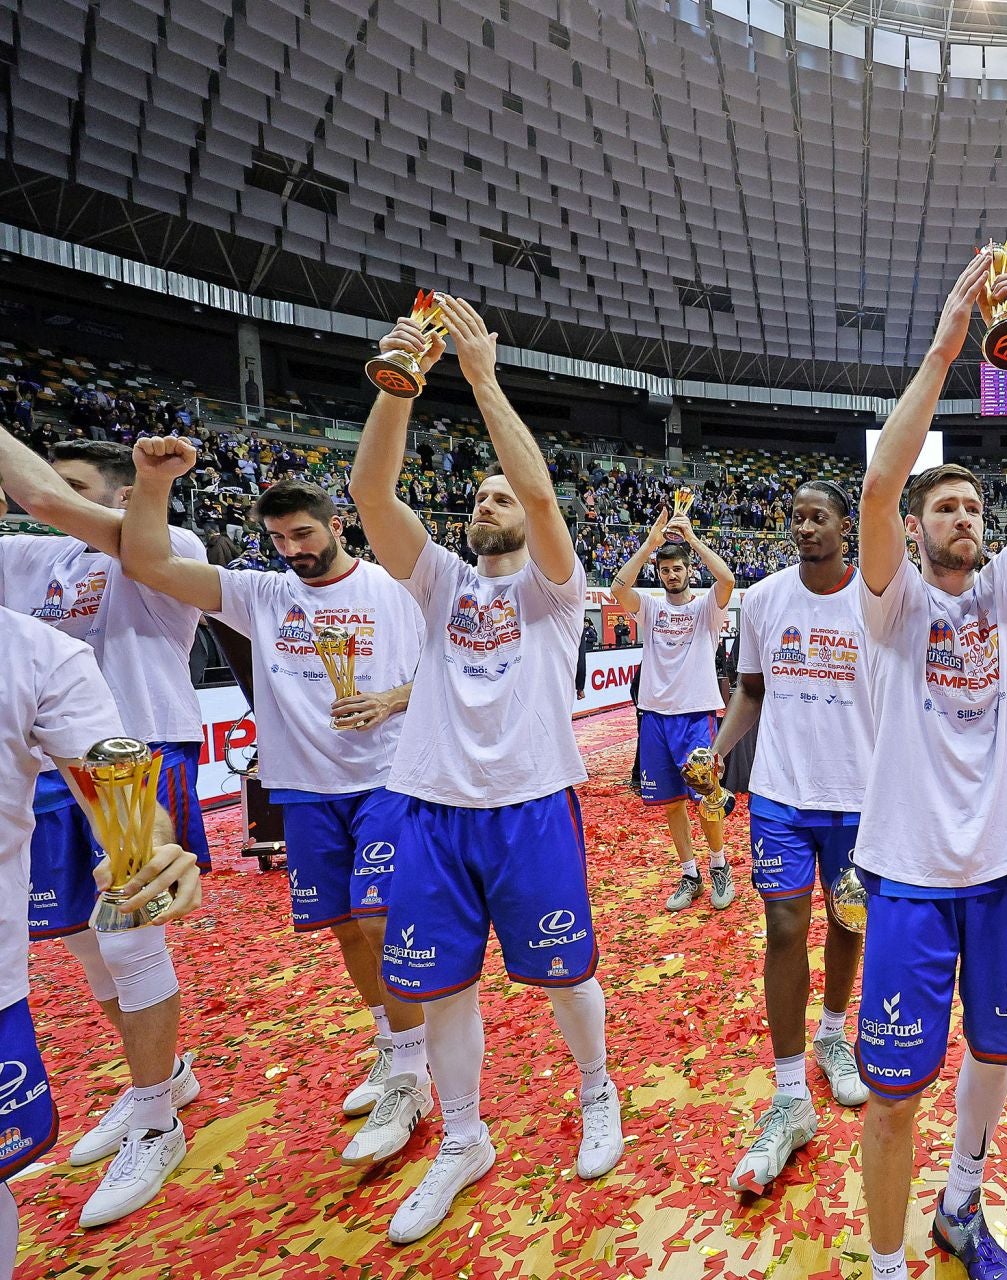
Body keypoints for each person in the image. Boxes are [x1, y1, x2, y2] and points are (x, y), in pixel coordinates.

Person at [348, 296, 621, 1244]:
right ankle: (463, 1138)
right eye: (479, 497)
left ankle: (596, 1090)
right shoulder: (438, 581)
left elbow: (543, 499)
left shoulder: (554, 592)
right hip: (430, 809)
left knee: (559, 975)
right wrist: (400, 382)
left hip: (530, 804)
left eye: (497, 494)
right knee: (442, 986)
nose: (489, 502)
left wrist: (480, 375)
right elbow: (373, 499)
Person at [853, 247, 1007, 1280]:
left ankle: (960, 1200)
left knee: (996, 1047)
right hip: (907, 864)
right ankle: (891, 1264)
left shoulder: (1005, 598)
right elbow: (881, 477)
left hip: (1004, 859)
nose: (965, 516)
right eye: (946, 507)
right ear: (915, 528)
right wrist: (951, 341)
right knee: (894, 1086)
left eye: (974, 508)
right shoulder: (895, 603)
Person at [116, 452, 432, 1164]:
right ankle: (391, 1043)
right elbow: (146, 564)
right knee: (346, 927)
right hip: (304, 784)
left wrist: (389, 698)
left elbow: (444, 668)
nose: (294, 551)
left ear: (335, 523)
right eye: (281, 540)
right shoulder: (261, 593)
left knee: (381, 915)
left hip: (387, 777)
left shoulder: (393, 588)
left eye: (303, 535)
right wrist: (158, 485)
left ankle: (414, 1075)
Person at [0, 430, 204, 1226]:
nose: (41, 504)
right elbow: (40, 504)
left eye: (73, 486)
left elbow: (42, 496)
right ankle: (165, 1077)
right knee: (87, 943)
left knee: (129, 936)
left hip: (137, 751)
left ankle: (159, 1121)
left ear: (119, 497)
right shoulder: (26, 560)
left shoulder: (162, 541)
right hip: (46, 768)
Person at [710, 479, 872, 1195]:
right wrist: (718, 750)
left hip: (857, 796)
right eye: (796, 517)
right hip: (780, 792)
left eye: (818, 517)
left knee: (847, 921)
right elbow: (751, 688)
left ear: (846, 527)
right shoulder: (766, 597)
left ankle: (835, 1034)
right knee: (782, 926)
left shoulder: (876, 597)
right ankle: (787, 1090)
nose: (805, 527)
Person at [610, 509, 737, 911]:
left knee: (707, 798)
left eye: (678, 568)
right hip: (654, 717)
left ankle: (719, 865)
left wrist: (693, 539)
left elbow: (728, 579)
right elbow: (617, 588)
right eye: (665, 570)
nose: (671, 575)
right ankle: (689, 872)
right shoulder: (648, 608)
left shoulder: (705, 610)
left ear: (688, 571)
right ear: (659, 574)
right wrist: (649, 544)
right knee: (671, 803)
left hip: (695, 714)